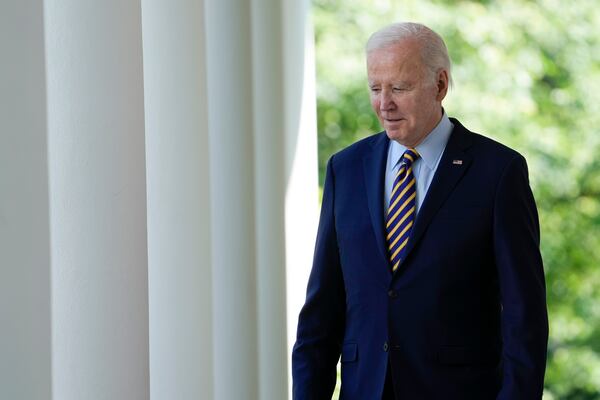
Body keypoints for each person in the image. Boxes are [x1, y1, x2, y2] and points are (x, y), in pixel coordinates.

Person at [292, 22, 548, 399]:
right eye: (375, 88)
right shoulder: (345, 169)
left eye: (399, 88)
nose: (384, 103)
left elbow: (524, 318)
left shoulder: (498, 172)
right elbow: (321, 312)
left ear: (440, 85)